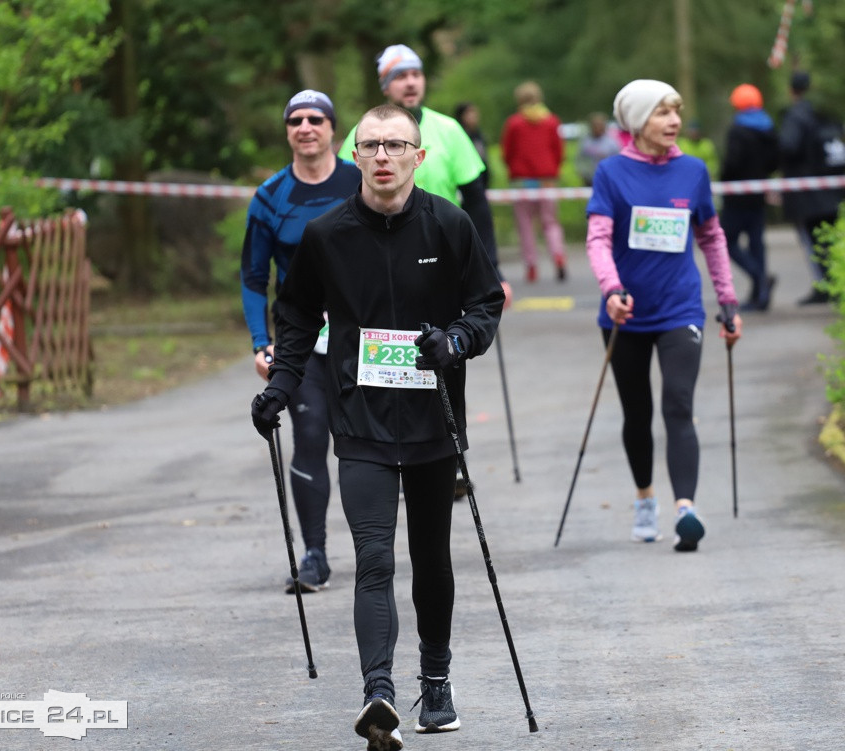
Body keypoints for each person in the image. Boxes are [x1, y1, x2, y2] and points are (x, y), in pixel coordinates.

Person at [252, 103, 505, 751]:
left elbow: (485, 306)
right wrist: (281, 386)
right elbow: (299, 316)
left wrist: (455, 340)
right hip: (359, 421)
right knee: (371, 557)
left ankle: (437, 679)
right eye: (372, 146)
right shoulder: (327, 234)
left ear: (419, 157)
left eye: (397, 145)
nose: (384, 156)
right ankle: (379, 693)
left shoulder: (449, 225)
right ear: (355, 156)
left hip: (432, 420)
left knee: (429, 556)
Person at [585, 79, 742, 552]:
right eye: (662, 113)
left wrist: (728, 300)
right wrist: (611, 289)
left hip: (681, 309)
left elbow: (711, 238)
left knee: (678, 405)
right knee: (638, 413)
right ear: (637, 122)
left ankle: (685, 510)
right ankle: (645, 499)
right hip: (625, 313)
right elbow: (596, 239)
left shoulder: (693, 171)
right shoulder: (610, 173)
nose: (674, 121)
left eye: (676, 111)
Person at [240, 90, 361, 593]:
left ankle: (374, 551)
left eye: (316, 119)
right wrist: (259, 342)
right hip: (301, 341)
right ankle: (314, 556)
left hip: (363, 337)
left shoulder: (361, 182)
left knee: (364, 445)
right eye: (295, 120)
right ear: (287, 131)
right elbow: (253, 278)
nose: (305, 127)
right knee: (309, 440)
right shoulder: (270, 197)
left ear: (334, 129)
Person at [339, 44, 511, 308]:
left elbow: (477, 204)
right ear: (385, 86)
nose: (410, 83)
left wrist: (492, 269)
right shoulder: (362, 134)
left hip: (443, 255)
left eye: (416, 75)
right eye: (400, 76)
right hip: (380, 258)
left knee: (446, 343)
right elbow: (343, 207)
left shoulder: (450, 130)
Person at [778, 70, 845, 304]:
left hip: (808, 194)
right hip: (833, 191)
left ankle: (825, 288)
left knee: (814, 243)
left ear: (791, 90)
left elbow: (788, 145)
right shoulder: (825, 114)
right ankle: (835, 285)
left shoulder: (797, 116)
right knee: (830, 241)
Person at [720, 83, 780, 312]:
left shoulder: (738, 130)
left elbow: (732, 163)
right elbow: (775, 160)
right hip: (758, 194)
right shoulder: (769, 127)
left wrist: (725, 180)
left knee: (727, 240)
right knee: (757, 243)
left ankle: (759, 277)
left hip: (737, 196)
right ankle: (760, 296)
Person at [500, 80, 567, 283]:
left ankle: (531, 265)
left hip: (522, 180)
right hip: (547, 179)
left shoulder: (514, 123)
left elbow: (507, 152)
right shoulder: (552, 121)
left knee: (525, 223)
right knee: (550, 221)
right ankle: (558, 255)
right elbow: (559, 150)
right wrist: (553, 169)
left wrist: (512, 168)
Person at [575, 112, 622, 187]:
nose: (597, 128)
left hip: (607, 179)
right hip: (589, 179)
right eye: (595, 125)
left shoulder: (612, 143)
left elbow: (618, 161)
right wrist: (583, 173)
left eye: (600, 125)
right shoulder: (585, 142)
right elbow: (579, 159)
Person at [453, 101, 490, 188]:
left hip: (482, 178)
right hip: (465, 180)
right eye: (469, 113)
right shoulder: (457, 134)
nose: (473, 116)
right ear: (461, 116)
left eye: (474, 112)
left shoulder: (479, 135)